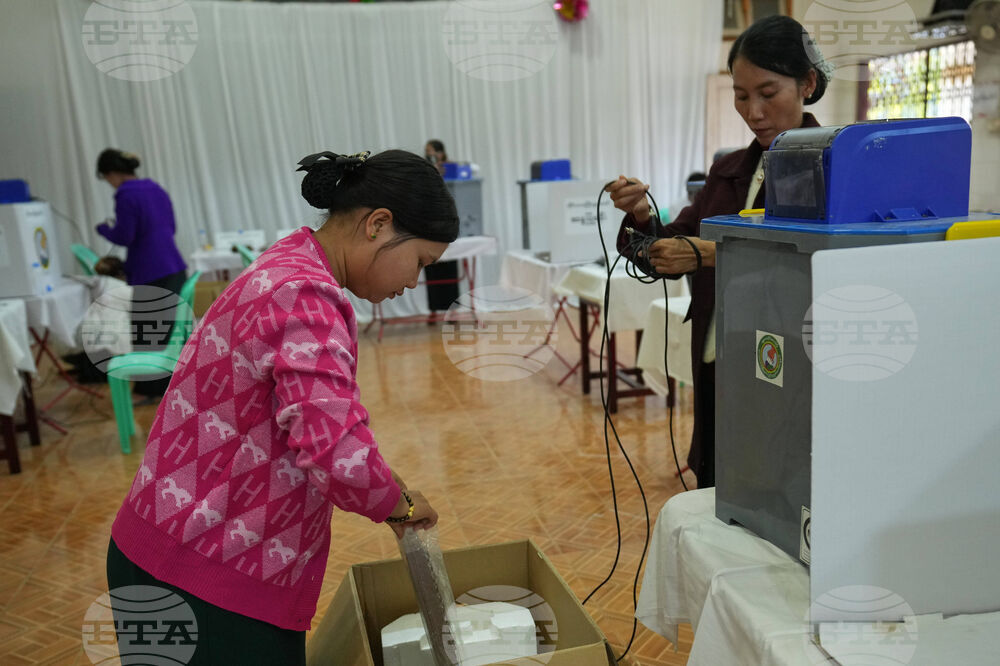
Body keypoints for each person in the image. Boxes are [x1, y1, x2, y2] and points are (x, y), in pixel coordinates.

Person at [106, 149, 458, 664]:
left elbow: (305, 424)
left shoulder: (287, 263)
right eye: (421, 262)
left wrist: (387, 482)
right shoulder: (306, 296)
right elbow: (335, 452)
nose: (413, 282)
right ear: (378, 225)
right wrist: (397, 507)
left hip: (165, 545)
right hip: (210, 581)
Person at [607, 15, 829, 488]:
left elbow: (817, 263)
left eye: (768, 93)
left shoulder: (832, 170)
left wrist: (711, 254)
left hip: (786, 364)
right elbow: (669, 246)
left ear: (807, 84)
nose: (754, 112)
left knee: (775, 486)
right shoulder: (729, 171)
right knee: (719, 483)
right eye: (741, 96)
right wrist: (642, 215)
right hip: (716, 358)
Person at [95, 148, 188, 400]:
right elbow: (171, 227)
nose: (109, 183)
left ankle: (153, 391)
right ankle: (175, 386)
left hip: (150, 269)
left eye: (106, 178)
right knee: (170, 333)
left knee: (148, 333)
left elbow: (125, 236)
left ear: (112, 173)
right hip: (174, 265)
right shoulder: (156, 189)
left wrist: (104, 229)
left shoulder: (125, 195)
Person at [423, 139, 460, 318]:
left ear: (441, 152)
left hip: (447, 221)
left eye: (432, 151)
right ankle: (433, 310)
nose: (429, 154)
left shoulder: (449, 168)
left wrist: (445, 171)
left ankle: (452, 311)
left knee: (450, 271)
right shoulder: (424, 169)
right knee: (431, 269)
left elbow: (458, 189)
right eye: (427, 151)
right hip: (430, 224)